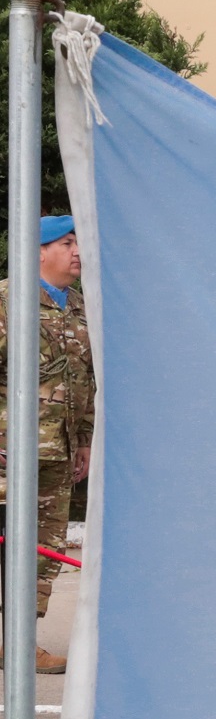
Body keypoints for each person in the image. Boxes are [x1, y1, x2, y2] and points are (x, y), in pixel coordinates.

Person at [0, 216, 94, 674]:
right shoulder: (7, 300)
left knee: (43, 547)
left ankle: (19, 643)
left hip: (59, 452)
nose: (77, 251)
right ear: (38, 250)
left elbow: (87, 381)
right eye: (67, 242)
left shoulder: (79, 306)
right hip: (8, 451)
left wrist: (86, 442)